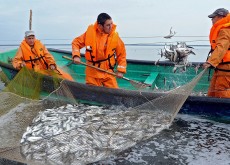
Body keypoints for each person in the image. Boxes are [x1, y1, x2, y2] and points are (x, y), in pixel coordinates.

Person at [72, 13, 127, 88]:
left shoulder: (115, 37)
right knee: (93, 94)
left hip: (108, 72)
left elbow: (122, 54)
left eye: (111, 23)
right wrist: (76, 56)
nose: (111, 27)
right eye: (108, 25)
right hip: (92, 73)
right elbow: (76, 43)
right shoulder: (89, 33)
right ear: (100, 26)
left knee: (115, 93)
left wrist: (120, 70)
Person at [203, 8, 230, 98]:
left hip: (226, 68)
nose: (212, 20)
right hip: (220, 67)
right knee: (212, 91)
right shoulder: (224, 28)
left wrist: (211, 62)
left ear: (220, 17)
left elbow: (222, 47)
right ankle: (210, 110)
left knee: (222, 91)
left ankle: (224, 111)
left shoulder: (225, 30)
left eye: (213, 17)